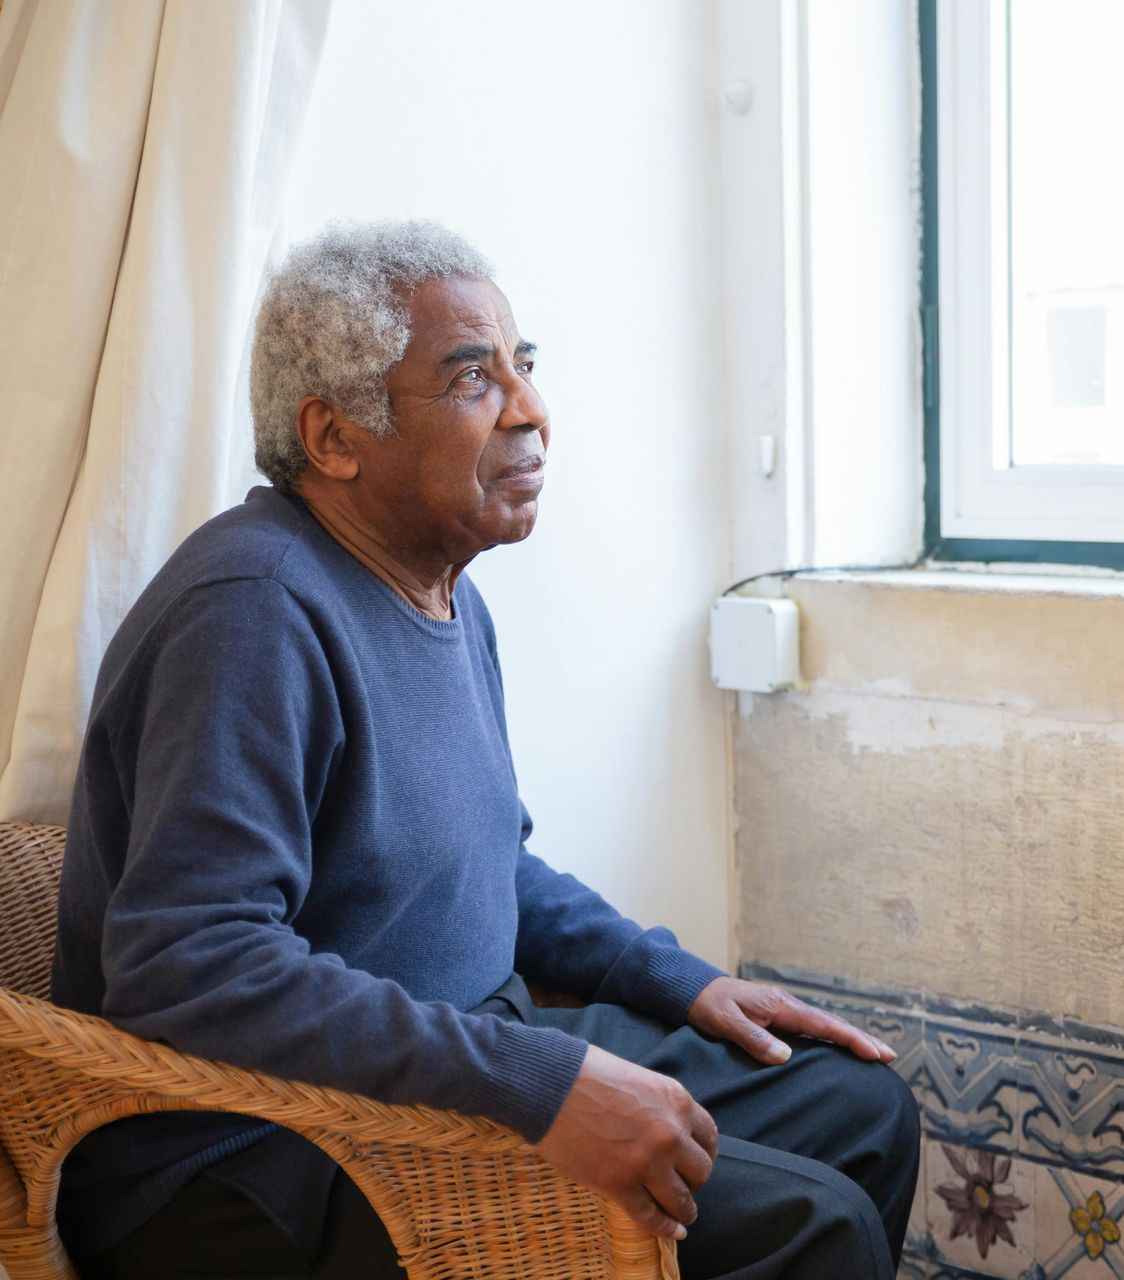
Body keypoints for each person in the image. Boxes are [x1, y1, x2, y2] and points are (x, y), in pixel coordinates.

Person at [51, 219, 920, 1279]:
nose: (532, 409)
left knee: (857, 1103)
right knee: (812, 1224)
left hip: (439, 1051)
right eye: (473, 379)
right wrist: (540, 1080)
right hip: (249, 1153)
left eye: (526, 365)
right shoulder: (253, 608)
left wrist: (680, 981)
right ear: (333, 436)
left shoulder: (443, 592)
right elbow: (188, 959)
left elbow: (486, 862)